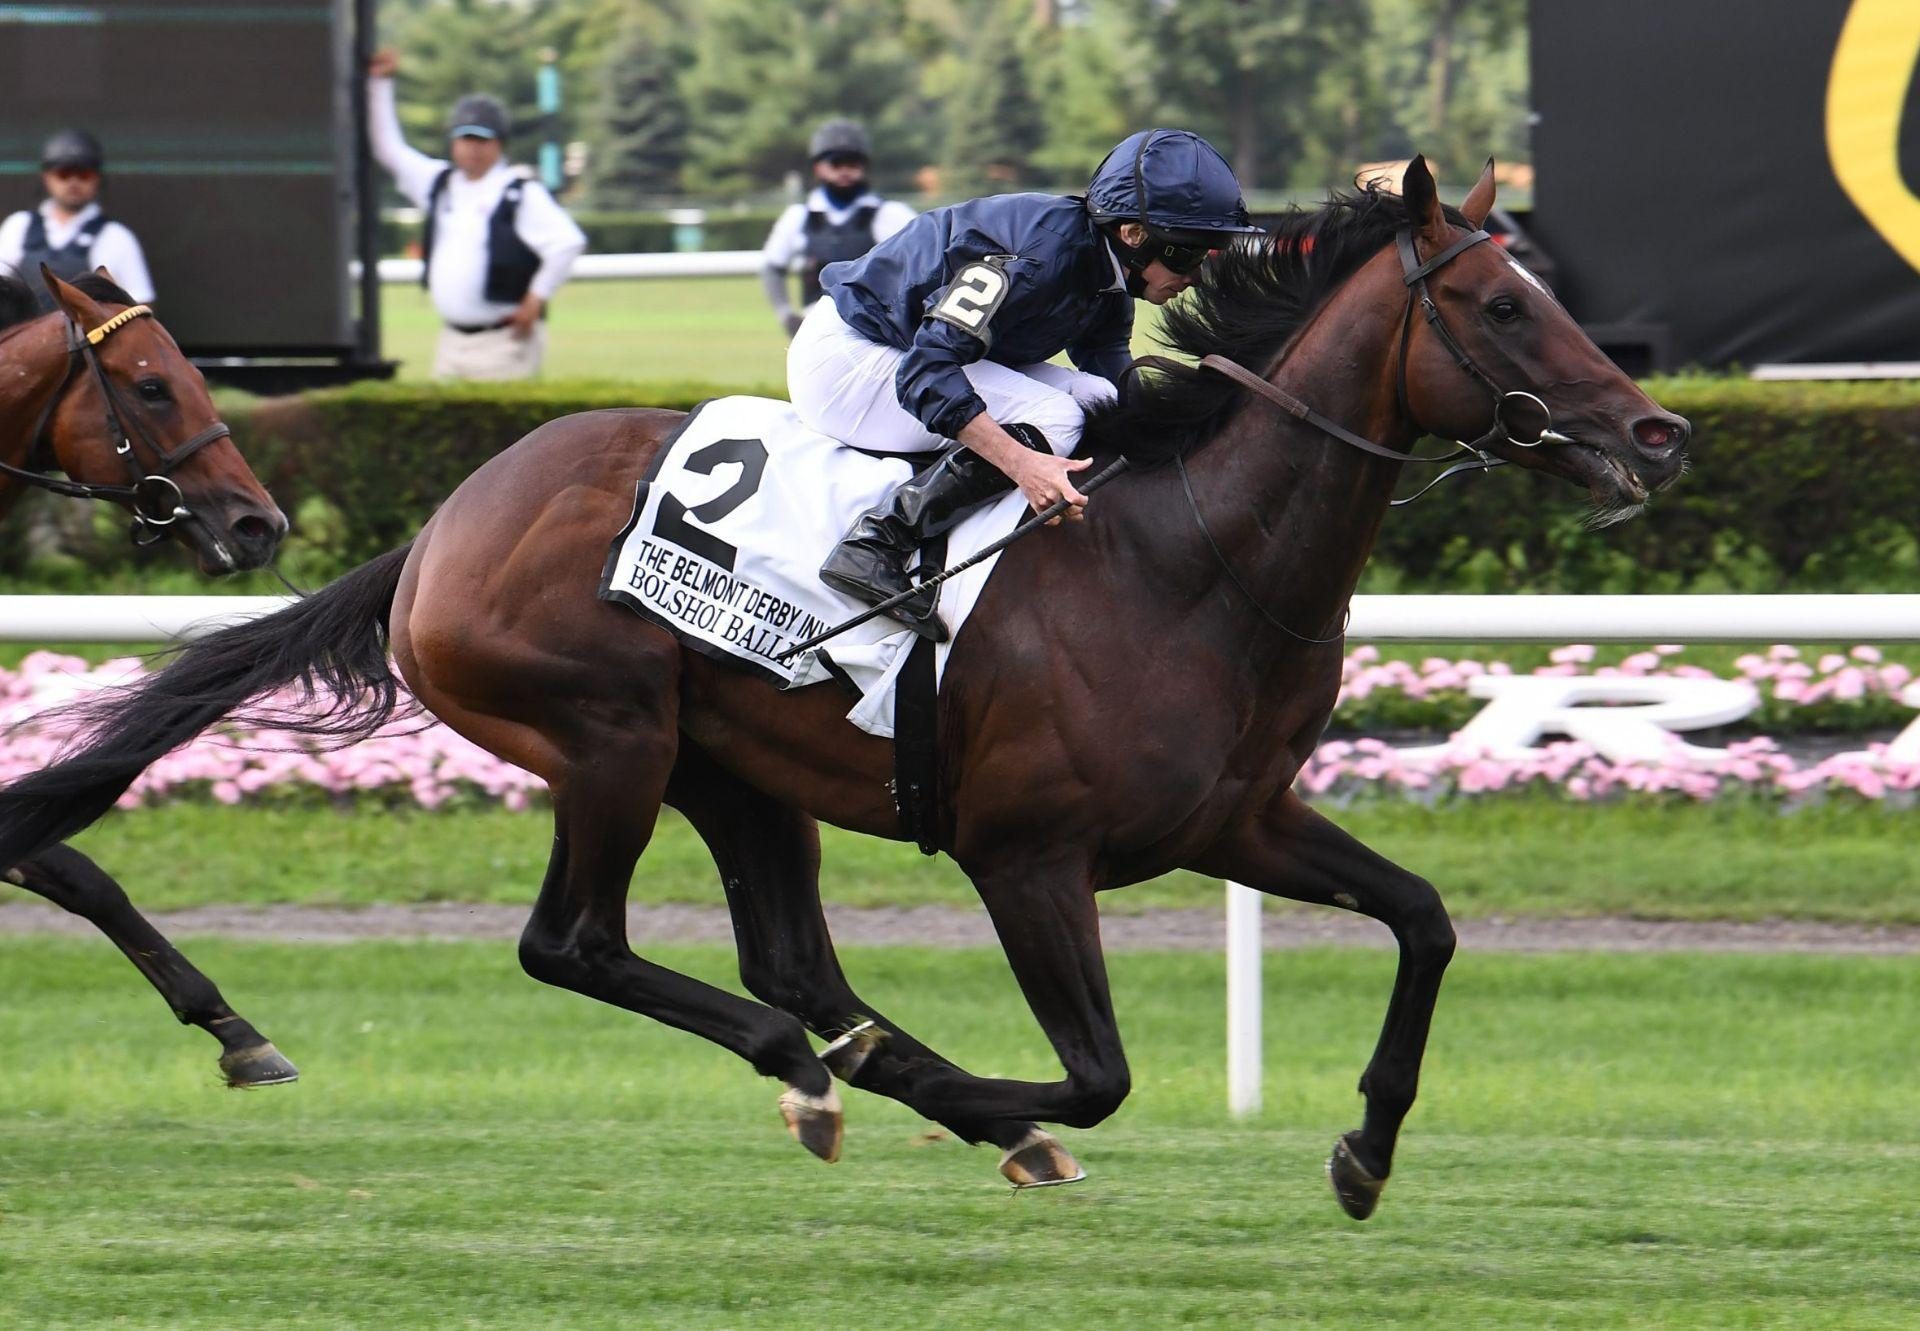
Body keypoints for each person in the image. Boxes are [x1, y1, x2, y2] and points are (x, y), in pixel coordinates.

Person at [790, 128, 1262, 639]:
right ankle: (877, 542)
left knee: (1100, 400)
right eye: (1186, 255)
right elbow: (925, 371)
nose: (1195, 276)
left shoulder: (1105, 268)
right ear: (1132, 234)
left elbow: (1113, 379)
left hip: (904, 348)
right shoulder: (1036, 260)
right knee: (1055, 417)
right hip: (848, 358)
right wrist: (1023, 465)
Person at [366, 49, 587, 381]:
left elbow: (567, 243)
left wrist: (536, 298)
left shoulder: (519, 191)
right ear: (454, 142)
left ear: (499, 144)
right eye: (465, 138)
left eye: (481, 139)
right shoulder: (439, 183)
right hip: (451, 341)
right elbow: (388, 149)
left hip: (503, 343)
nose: (472, 147)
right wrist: (380, 84)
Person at [760, 120, 916, 338]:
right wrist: (785, 314)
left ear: (864, 167)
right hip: (817, 332)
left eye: (852, 163)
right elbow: (772, 268)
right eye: (836, 163)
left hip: (874, 332)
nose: (844, 171)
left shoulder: (890, 214)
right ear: (818, 167)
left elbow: (921, 260)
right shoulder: (798, 217)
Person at [0, 129, 155, 312]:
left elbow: (140, 307)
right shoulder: (17, 226)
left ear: (97, 179)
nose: (73, 182)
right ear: (46, 177)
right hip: (24, 331)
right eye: (63, 173)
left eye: (84, 174)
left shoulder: (117, 237)